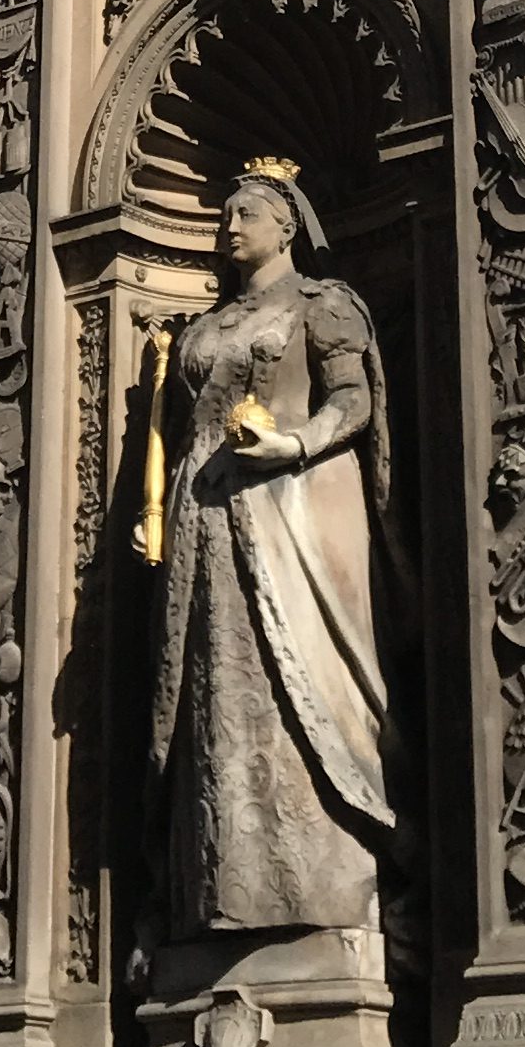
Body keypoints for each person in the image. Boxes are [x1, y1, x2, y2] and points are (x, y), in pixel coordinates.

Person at [148, 160, 395, 933]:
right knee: (213, 687)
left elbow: (353, 400)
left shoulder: (324, 306)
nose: (228, 227)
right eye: (224, 215)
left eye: (244, 214)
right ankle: (216, 888)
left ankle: (319, 890)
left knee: (300, 687)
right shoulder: (204, 327)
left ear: (285, 225)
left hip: (288, 516)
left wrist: (296, 444)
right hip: (207, 522)